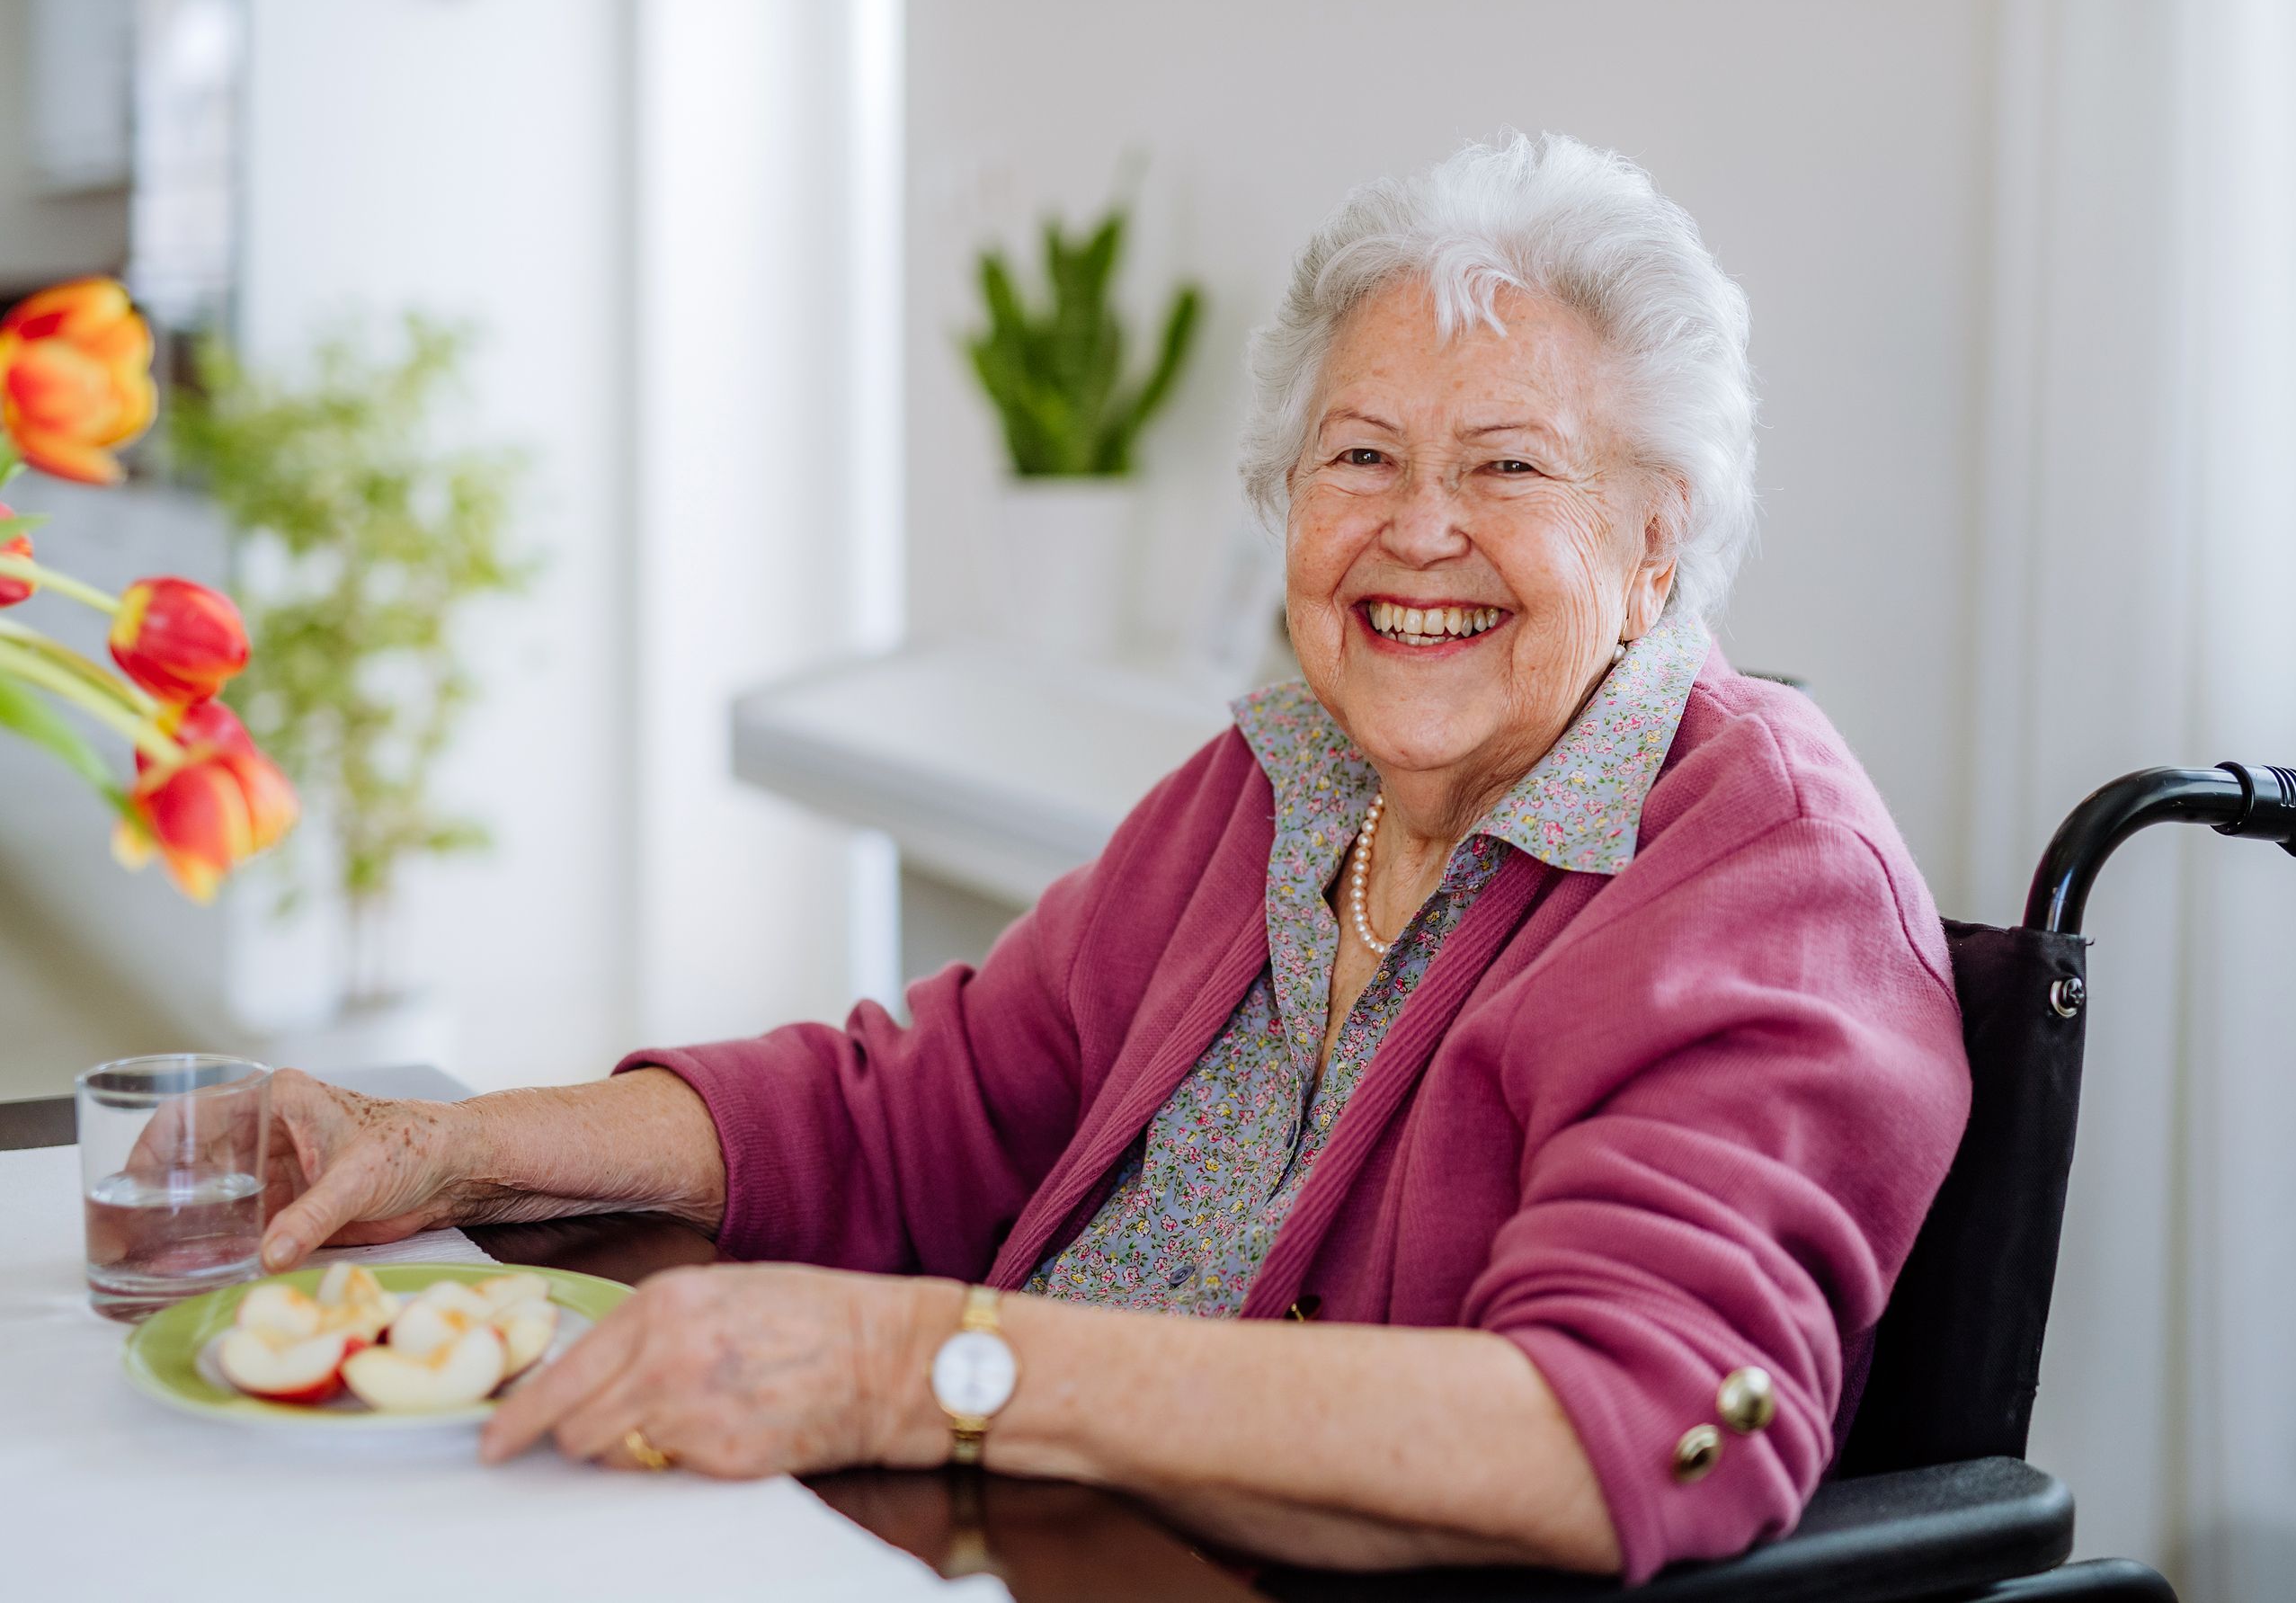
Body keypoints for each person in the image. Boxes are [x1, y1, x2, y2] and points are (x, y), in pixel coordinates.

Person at [251, 133, 1967, 1583]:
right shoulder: (1283, 779)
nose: (1416, 528)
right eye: (1359, 457)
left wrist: (918, 1368)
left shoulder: (1767, 881)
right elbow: (906, 1108)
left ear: (1656, 543)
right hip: (992, 1546)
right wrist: (454, 1149)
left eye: (1506, 467)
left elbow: (1619, 1427)